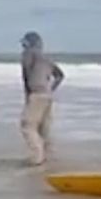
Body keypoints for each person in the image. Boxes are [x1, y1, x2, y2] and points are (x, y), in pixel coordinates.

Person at [19, 31, 64, 165]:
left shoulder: (27, 55)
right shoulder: (47, 58)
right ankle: (49, 156)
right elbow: (60, 76)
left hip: (36, 94)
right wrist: (51, 89)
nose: (23, 46)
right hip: (47, 95)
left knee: (27, 125)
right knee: (44, 128)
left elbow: (26, 77)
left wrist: (27, 96)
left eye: (24, 43)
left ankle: (37, 156)